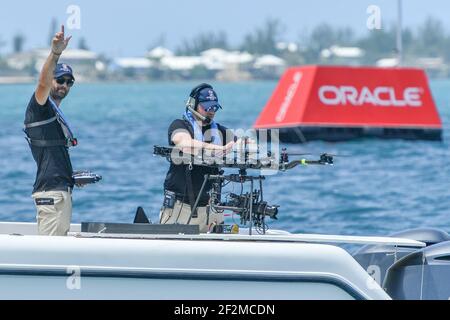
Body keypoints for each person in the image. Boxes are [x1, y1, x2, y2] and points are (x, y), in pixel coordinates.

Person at [24, 25, 78, 236]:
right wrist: (55, 53)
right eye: (60, 80)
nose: (64, 85)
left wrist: (72, 177)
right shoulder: (40, 107)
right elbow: (42, 83)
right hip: (51, 193)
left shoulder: (53, 115)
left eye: (69, 82)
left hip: (60, 192)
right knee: (51, 253)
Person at [160, 83, 235, 233]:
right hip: (182, 208)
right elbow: (185, 144)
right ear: (193, 105)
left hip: (212, 209)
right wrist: (218, 149)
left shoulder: (219, 131)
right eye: (206, 107)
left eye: (214, 107)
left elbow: (243, 142)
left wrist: (243, 143)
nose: (211, 111)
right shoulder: (179, 125)